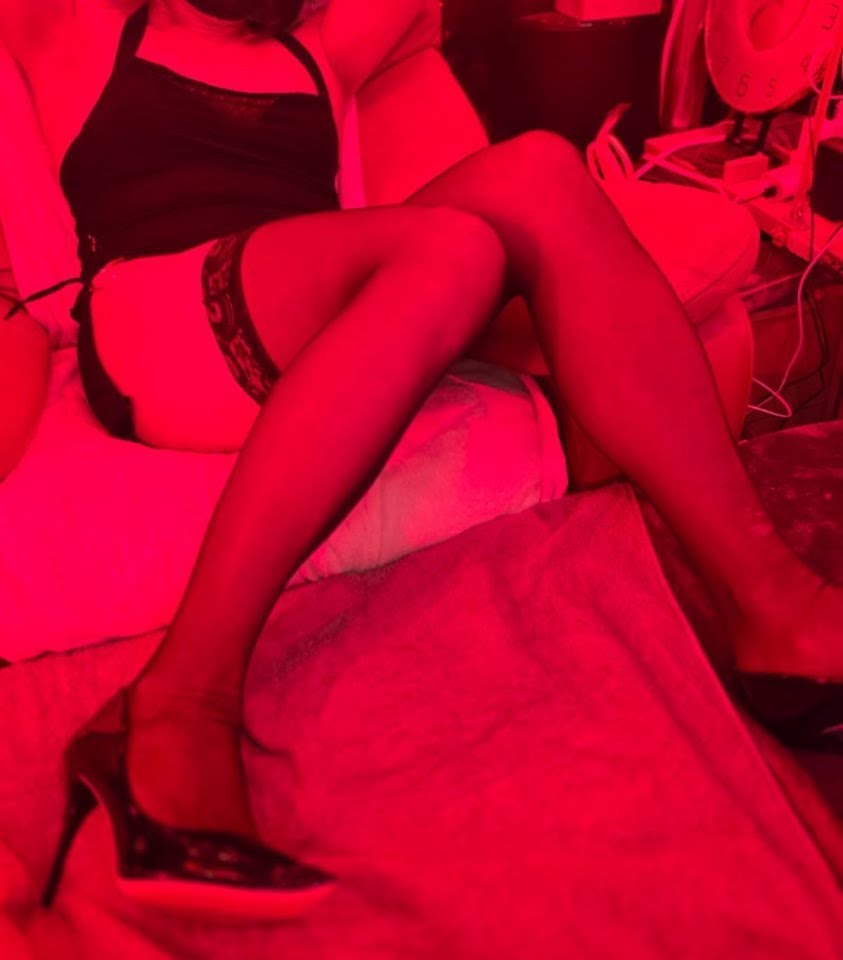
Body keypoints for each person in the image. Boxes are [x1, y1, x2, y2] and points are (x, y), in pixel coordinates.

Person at [1, 0, 841, 918]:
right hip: (156, 326)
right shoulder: (78, 31)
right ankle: (177, 701)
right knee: (452, 247)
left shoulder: (321, 49)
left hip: (326, 316)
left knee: (537, 170)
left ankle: (774, 610)